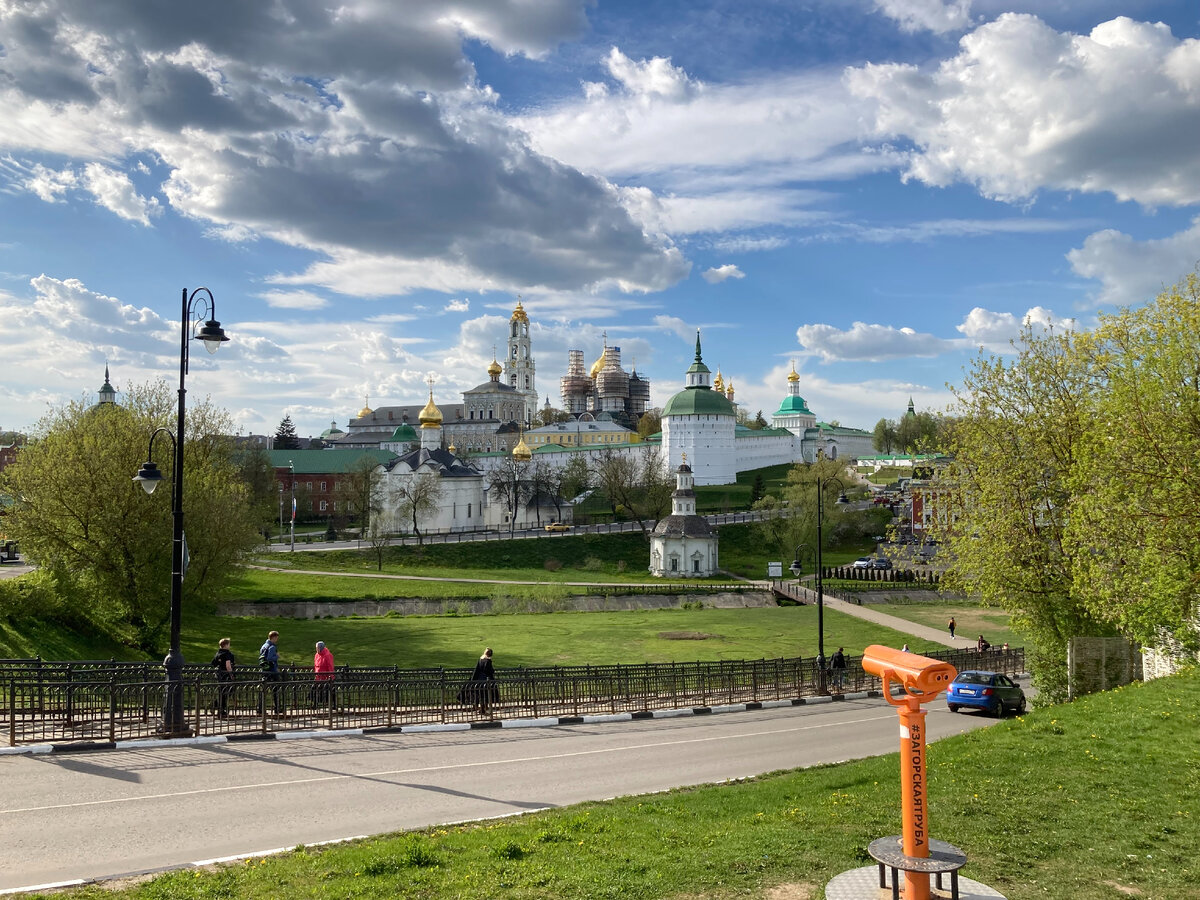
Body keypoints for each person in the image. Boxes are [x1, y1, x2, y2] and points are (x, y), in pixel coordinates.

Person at [465, 647, 499, 714]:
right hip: (486, 680)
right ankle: (483, 709)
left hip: (479, 679)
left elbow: (477, 669)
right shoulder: (488, 661)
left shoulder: (480, 659)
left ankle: (480, 708)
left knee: (479, 695)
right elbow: (489, 671)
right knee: (486, 695)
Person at [259, 630, 284, 714]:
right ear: (274, 637)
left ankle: (260, 708)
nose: (277, 639)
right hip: (272, 670)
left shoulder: (264, 645)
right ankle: (277, 708)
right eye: (276, 638)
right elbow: (269, 658)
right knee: (276, 689)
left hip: (264, 670)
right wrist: (276, 656)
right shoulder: (272, 647)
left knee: (263, 690)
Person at [211, 637, 235, 719]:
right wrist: (231, 675)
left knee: (222, 691)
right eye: (229, 644)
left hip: (218, 674)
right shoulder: (227, 654)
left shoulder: (218, 653)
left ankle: (216, 706)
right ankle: (220, 708)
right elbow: (228, 666)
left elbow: (213, 663)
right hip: (225, 675)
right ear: (226, 645)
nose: (229, 646)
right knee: (228, 691)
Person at [313, 640, 335, 709]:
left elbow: (330, 666)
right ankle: (314, 704)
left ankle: (331, 704)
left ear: (321, 648)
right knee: (313, 688)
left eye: (317, 648)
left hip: (326, 677)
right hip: (318, 677)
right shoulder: (316, 655)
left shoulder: (328, 655)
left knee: (327, 689)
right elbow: (316, 666)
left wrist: (330, 677)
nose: (316, 649)